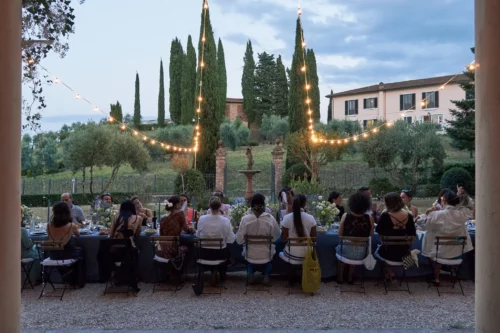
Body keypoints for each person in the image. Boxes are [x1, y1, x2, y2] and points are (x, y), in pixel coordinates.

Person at [417, 190, 474, 285]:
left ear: (445, 201)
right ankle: (444, 273)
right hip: (457, 252)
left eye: (442, 199)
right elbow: (471, 205)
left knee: (433, 249)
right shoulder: (462, 214)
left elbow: (422, 225)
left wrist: (427, 213)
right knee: (440, 249)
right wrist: (462, 195)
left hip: (438, 252)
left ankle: (436, 277)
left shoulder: (437, 215)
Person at [236, 193, 281, 286]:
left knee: (248, 255)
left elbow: (239, 240)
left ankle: (250, 274)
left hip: (250, 255)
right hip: (266, 254)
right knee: (270, 254)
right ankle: (266, 276)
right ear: (263, 204)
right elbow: (277, 236)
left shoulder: (245, 219)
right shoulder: (270, 219)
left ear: (251, 205)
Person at [376, 192, 417, 280]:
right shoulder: (408, 215)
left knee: (379, 249)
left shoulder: (385, 215)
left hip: (387, 253)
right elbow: (413, 235)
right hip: (404, 254)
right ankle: (391, 272)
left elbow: (378, 231)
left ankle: (388, 272)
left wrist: (392, 229)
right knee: (394, 248)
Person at [336, 192, 374, 284]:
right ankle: (350, 277)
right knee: (357, 249)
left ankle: (340, 277)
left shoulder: (346, 216)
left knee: (341, 248)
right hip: (361, 254)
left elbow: (340, 235)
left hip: (345, 252)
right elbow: (371, 236)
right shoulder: (370, 218)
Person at [197, 196, 236, 284]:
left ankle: (213, 271)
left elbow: (198, 235)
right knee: (227, 249)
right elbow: (231, 239)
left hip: (204, 253)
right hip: (220, 254)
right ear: (220, 206)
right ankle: (220, 272)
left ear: (209, 206)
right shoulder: (225, 221)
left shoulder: (202, 219)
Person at [47, 202, 85, 287]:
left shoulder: (48, 226)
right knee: (81, 251)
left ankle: (67, 276)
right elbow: (78, 235)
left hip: (53, 255)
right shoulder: (71, 226)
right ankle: (78, 280)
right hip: (67, 254)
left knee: (77, 251)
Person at [108, 200, 143, 293]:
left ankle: (117, 278)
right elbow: (138, 233)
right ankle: (134, 279)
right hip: (130, 250)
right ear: (132, 208)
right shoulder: (138, 218)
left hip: (115, 250)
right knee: (136, 253)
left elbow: (111, 235)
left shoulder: (116, 217)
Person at [281, 194, 317, 263]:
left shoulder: (286, 218)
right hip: (307, 254)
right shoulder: (311, 218)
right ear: (304, 204)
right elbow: (314, 238)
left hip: (291, 254)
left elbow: (284, 238)